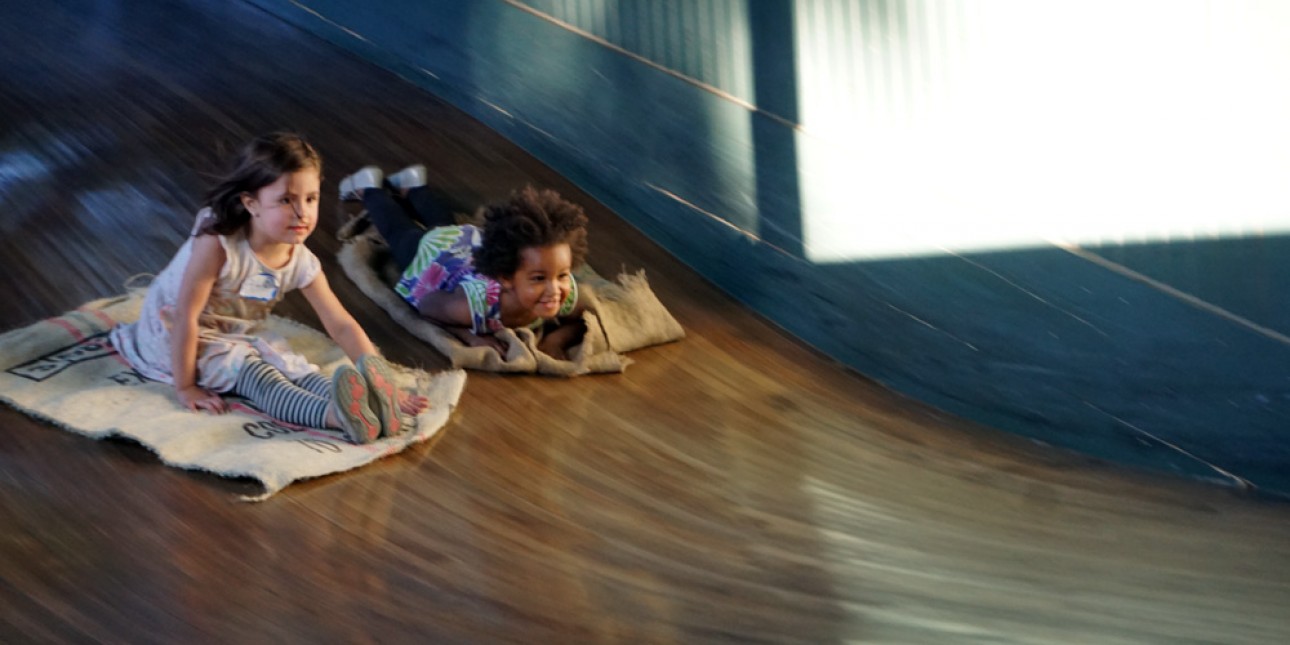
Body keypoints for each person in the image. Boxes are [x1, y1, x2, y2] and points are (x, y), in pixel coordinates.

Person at [110, 133, 427, 445]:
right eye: (286, 200)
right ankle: (337, 416)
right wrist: (186, 387)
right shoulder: (218, 243)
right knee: (259, 375)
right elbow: (185, 316)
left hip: (235, 335)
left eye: (311, 198)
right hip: (175, 338)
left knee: (293, 366)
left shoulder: (300, 260)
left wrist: (381, 378)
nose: (302, 213)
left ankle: (373, 405)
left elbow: (340, 324)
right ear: (251, 204)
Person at [339, 164, 590, 360]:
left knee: (445, 225)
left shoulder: (563, 294)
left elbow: (582, 319)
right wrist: (469, 336)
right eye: (538, 278)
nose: (554, 290)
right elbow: (427, 307)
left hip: (465, 243)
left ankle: (414, 186)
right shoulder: (473, 304)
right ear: (505, 278)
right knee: (398, 231)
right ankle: (370, 188)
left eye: (562, 275)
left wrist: (556, 341)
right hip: (433, 255)